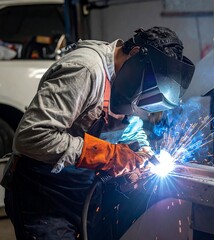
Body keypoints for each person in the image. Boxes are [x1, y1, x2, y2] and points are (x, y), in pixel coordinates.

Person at [3, 26, 194, 239]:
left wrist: (142, 152)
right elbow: (31, 136)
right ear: (135, 53)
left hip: (83, 190)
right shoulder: (86, 70)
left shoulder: (126, 78)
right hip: (42, 194)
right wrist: (110, 156)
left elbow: (131, 128)